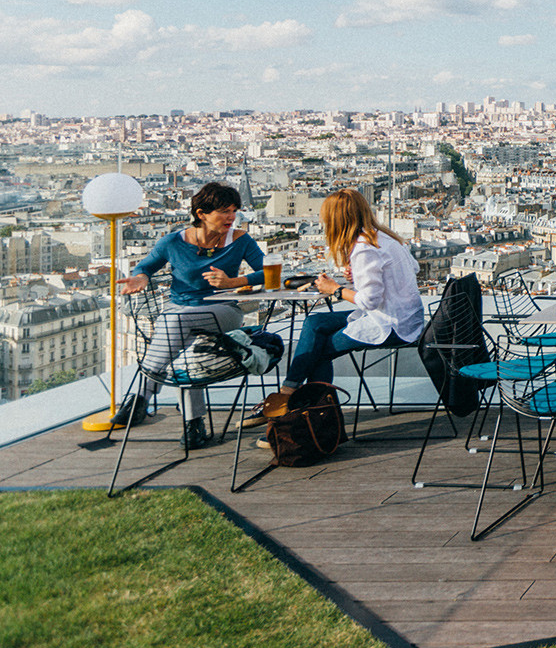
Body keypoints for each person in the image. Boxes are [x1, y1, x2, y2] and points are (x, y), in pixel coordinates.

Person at [245, 188, 422, 434]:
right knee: (315, 323)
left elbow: (370, 301)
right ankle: (290, 394)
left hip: (390, 325)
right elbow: (411, 270)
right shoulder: (383, 237)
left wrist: (336, 289)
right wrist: (357, 278)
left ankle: (314, 422)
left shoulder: (364, 248)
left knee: (318, 351)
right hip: (403, 316)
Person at [116, 181, 264, 448]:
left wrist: (233, 282)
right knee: (185, 354)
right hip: (179, 313)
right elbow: (146, 266)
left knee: (174, 321)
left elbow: (268, 271)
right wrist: (140, 278)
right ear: (201, 214)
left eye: (233, 210)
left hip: (223, 310)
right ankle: (194, 426)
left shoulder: (240, 240)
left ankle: (139, 398)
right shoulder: (173, 242)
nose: (231, 217)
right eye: (224, 211)